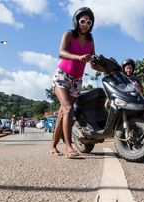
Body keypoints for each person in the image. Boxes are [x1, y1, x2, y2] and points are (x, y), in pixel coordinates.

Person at [50, 7, 102, 158]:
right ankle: (68, 147)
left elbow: (92, 61)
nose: (85, 24)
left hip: (77, 80)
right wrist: (78, 57)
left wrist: (105, 68)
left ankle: (53, 146)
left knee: (62, 114)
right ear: (77, 21)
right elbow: (61, 52)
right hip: (62, 76)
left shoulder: (90, 40)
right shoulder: (68, 34)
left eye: (89, 22)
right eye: (82, 21)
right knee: (68, 109)